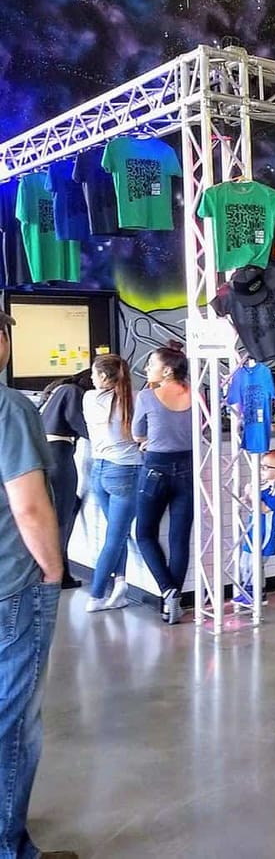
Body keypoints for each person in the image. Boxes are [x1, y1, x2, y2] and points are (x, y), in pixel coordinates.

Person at [0, 310, 74, 858]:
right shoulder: (9, 407)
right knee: (14, 720)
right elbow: (28, 506)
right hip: (10, 585)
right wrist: (52, 569)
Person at [133, 341, 195, 625]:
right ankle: (174, 601)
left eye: (152, 364)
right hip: (189, 467)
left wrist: (148, 441)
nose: (147, 369)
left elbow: (137, 434)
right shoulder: (198, 395)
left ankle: (167, 590)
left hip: (156, 467)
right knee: (179, 538)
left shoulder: (147, 396)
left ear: (167, 370)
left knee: (144, 533)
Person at [81, 354, 143, 613]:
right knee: (116, 537)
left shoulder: (88, 398)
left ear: (105, 377)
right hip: (126, 471)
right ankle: (97, 595)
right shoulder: (136, 399)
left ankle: (118, 586)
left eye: (94, 374)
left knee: (117, 535)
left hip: (99, 471)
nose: (91, 378)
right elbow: (143, 434)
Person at [38, 369, 93, 588]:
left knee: (65, 510)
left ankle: (58, 571)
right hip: (60, 456)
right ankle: (60, 574)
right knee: (62, 517)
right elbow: (77, 422)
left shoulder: (59, 389)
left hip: (48, 454)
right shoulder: (73, 393)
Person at [233, 448, 275, 610]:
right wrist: (245, 496)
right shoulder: (263, 485)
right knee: (245, 562)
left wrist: (251, 495)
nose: (261, 470)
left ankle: (258, 593)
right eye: (260, 466)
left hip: (266, 533)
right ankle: (248, 589)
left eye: (265, 467)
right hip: (253, 530)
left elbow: (264, 508)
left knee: (256, 564)